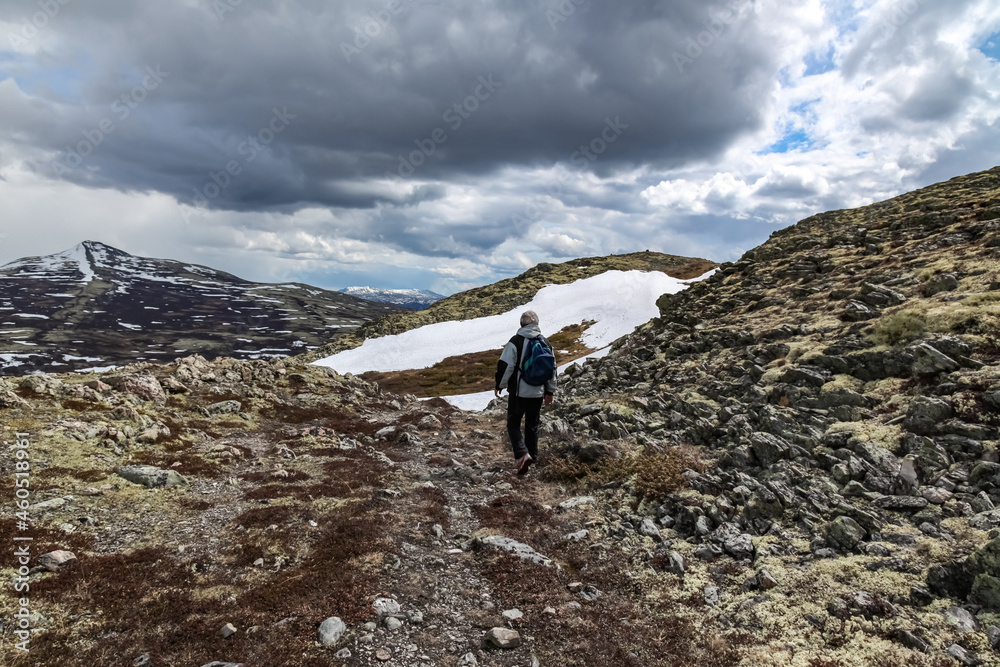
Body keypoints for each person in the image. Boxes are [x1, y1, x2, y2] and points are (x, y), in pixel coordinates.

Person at [494, 310, 557, 475]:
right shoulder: (546, 342)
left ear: (522, 324)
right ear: (537, 324)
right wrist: (549, 391)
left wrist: (499, 384)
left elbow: (506, 366)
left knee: (513, 424)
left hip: (519, 392)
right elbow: (552, 369)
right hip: (538, 393)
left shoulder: (516, 341)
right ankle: (533, 458)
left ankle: (522, 455)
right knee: (532, 425)